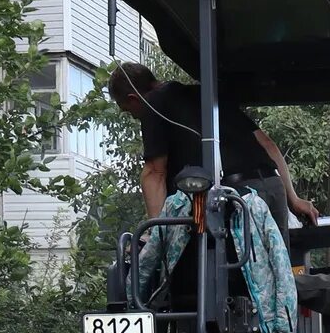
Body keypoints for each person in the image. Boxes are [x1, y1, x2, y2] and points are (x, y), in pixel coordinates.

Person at [107, 61, 317, 232]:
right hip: (273, 187)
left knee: (237, 280)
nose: (134, 116)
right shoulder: (206, 94)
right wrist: (294, 198)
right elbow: (268, 144)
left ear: (133, 98)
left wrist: (156, 231)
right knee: (277, 272)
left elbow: (154, 172)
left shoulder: (153, 104)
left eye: (129, 110)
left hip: (238, 197)